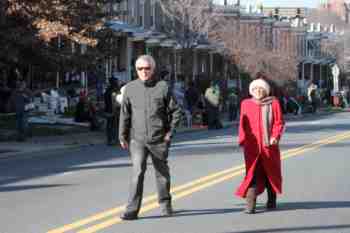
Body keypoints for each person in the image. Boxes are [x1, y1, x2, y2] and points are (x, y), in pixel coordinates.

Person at [119, 55, 182, 220]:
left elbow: (176, 111)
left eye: (147, 68)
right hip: (137, 139)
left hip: (159, 138)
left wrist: (170, 133)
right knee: (137, 172)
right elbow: (125, 113)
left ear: (153, 69)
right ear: (136, 70)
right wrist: (122, 135)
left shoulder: (163, 87)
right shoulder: (130, 88)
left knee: (161, 173)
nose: (144, 71)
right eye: (140, 69)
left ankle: (165, 205)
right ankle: (131, 210)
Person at [236, 78, 285, 214]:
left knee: (270, 173)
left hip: (269, 146)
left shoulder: (273, 103)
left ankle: (271, 200)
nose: (258, 91)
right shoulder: (245, 104)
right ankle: (250, 205)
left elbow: (278, 122)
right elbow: (242, 124)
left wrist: (275, 136)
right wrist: (243, 140)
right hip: (251, 148)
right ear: (251, 90)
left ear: (266, 91)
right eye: (255, 89)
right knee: (251, 175)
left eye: (261, 89)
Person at [104, 76, 120, 145]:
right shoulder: (113, 91)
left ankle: (110, 140)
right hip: (113, 111)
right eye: (116, 82)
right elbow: (115, 102)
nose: (117, 83)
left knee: (110, 126)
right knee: (114, 125)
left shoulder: (107, 90)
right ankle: (114, 140)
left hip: (108, 110)